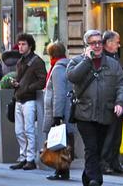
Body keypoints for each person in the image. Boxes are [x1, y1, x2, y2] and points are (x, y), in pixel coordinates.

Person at [67, 29, 123, 186]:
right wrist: (87, 61)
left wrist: (120, 103)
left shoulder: (113, 64)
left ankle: (88, 176)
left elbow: (122, 85)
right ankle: (96, 180)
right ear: (86, 46)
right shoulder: (77, 61)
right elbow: (73, 77)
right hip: (84, 113)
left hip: (105, 113)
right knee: (91, 146)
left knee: (100, 148)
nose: (97, 46)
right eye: (93, 43)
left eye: (99, 42)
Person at [10, 33, 47, 170]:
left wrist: (27, 88)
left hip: (30, 99)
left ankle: (30, 159)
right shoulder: (20, 61)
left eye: (23, 44)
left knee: (29, 130)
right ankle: (23, 156)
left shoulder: (37, 61)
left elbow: (42, 81)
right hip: (19, 98)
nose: (20, 47)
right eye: (19, 44)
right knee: (19, 131)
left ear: (30, 46)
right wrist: (16, 83)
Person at [43, 41, 75, 181]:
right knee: (64, 142)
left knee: (59, 143)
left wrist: (57, 116)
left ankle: (61, 169)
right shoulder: (66, 65)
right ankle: (62, 170)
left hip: (59, 112)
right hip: (65, 111)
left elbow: (59, 94)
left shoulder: (57, 68)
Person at [99, 30, 123, 174]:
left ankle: (114, 161)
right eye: (117, 42)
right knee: (108, 136)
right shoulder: (102, 58)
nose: (119, 45)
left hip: (118, 102)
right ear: (109, 43)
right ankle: (104, 163)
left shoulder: (115, 57)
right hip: (107, 103)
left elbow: (121, 81)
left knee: (117, 135)